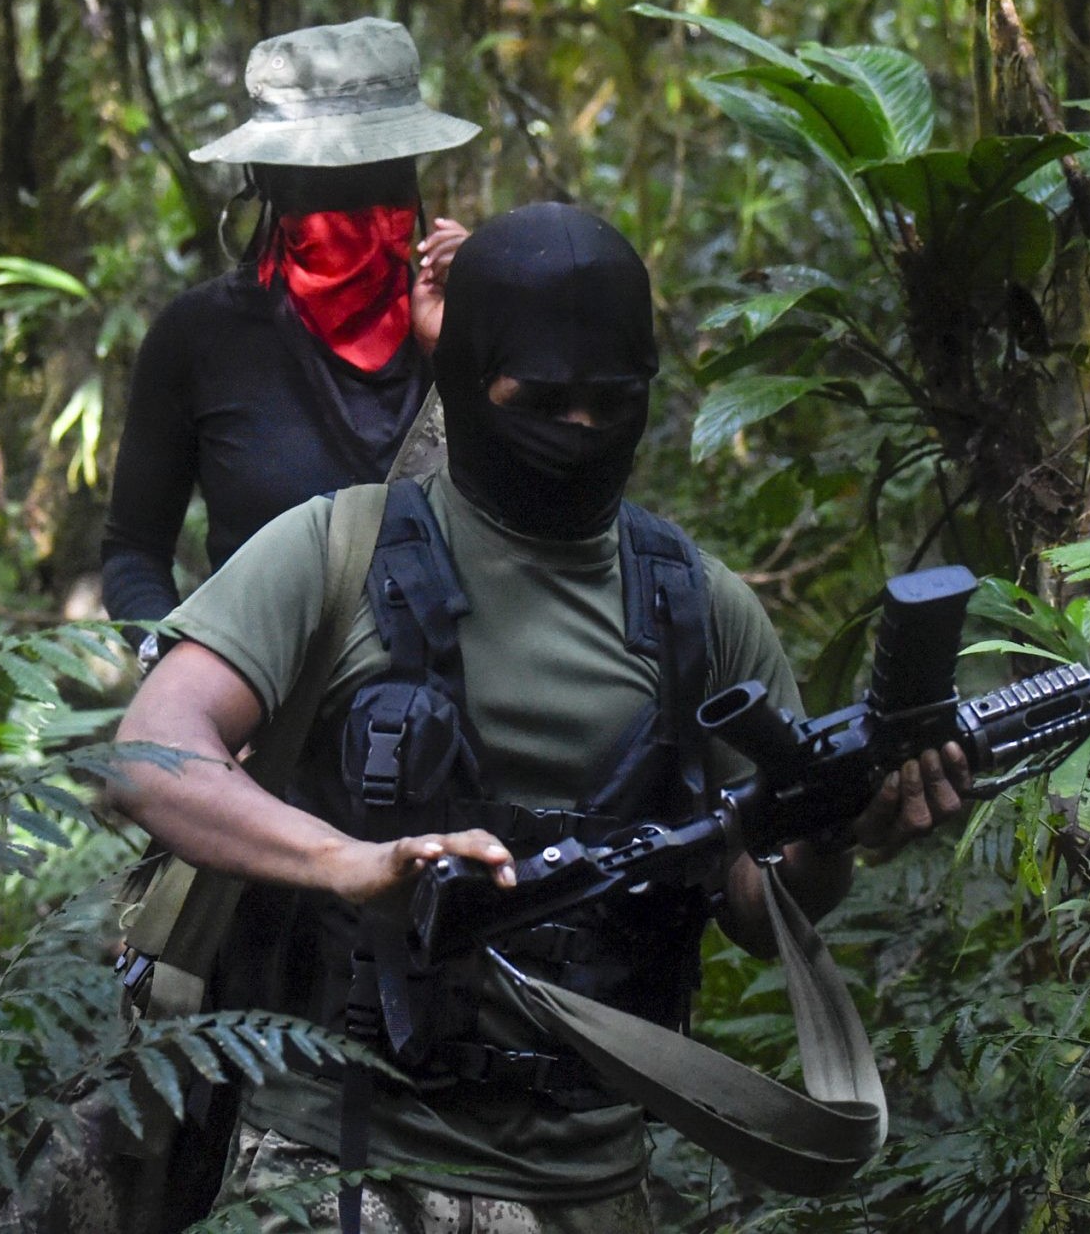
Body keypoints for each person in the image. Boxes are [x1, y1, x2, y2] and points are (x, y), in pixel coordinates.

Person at [108, 203, 972, 1234]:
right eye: (543, 398)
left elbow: (756, 902)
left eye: (611, 402)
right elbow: (153, 755)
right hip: (335, 1163)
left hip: (588, 1184)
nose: (577, 429)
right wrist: (344, 860)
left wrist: (834, 826)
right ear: (468, 378)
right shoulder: (333, 552)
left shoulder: (697, 605)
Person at [100, 17, 476, 642]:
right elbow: (134, 550)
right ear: (268, 183)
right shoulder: (199, 338)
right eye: (320, 182)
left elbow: (541, 520)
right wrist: (182, 681)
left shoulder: (467, 318)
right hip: (268, 718)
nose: (352, 210)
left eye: (377, 175)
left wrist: (466, 342)